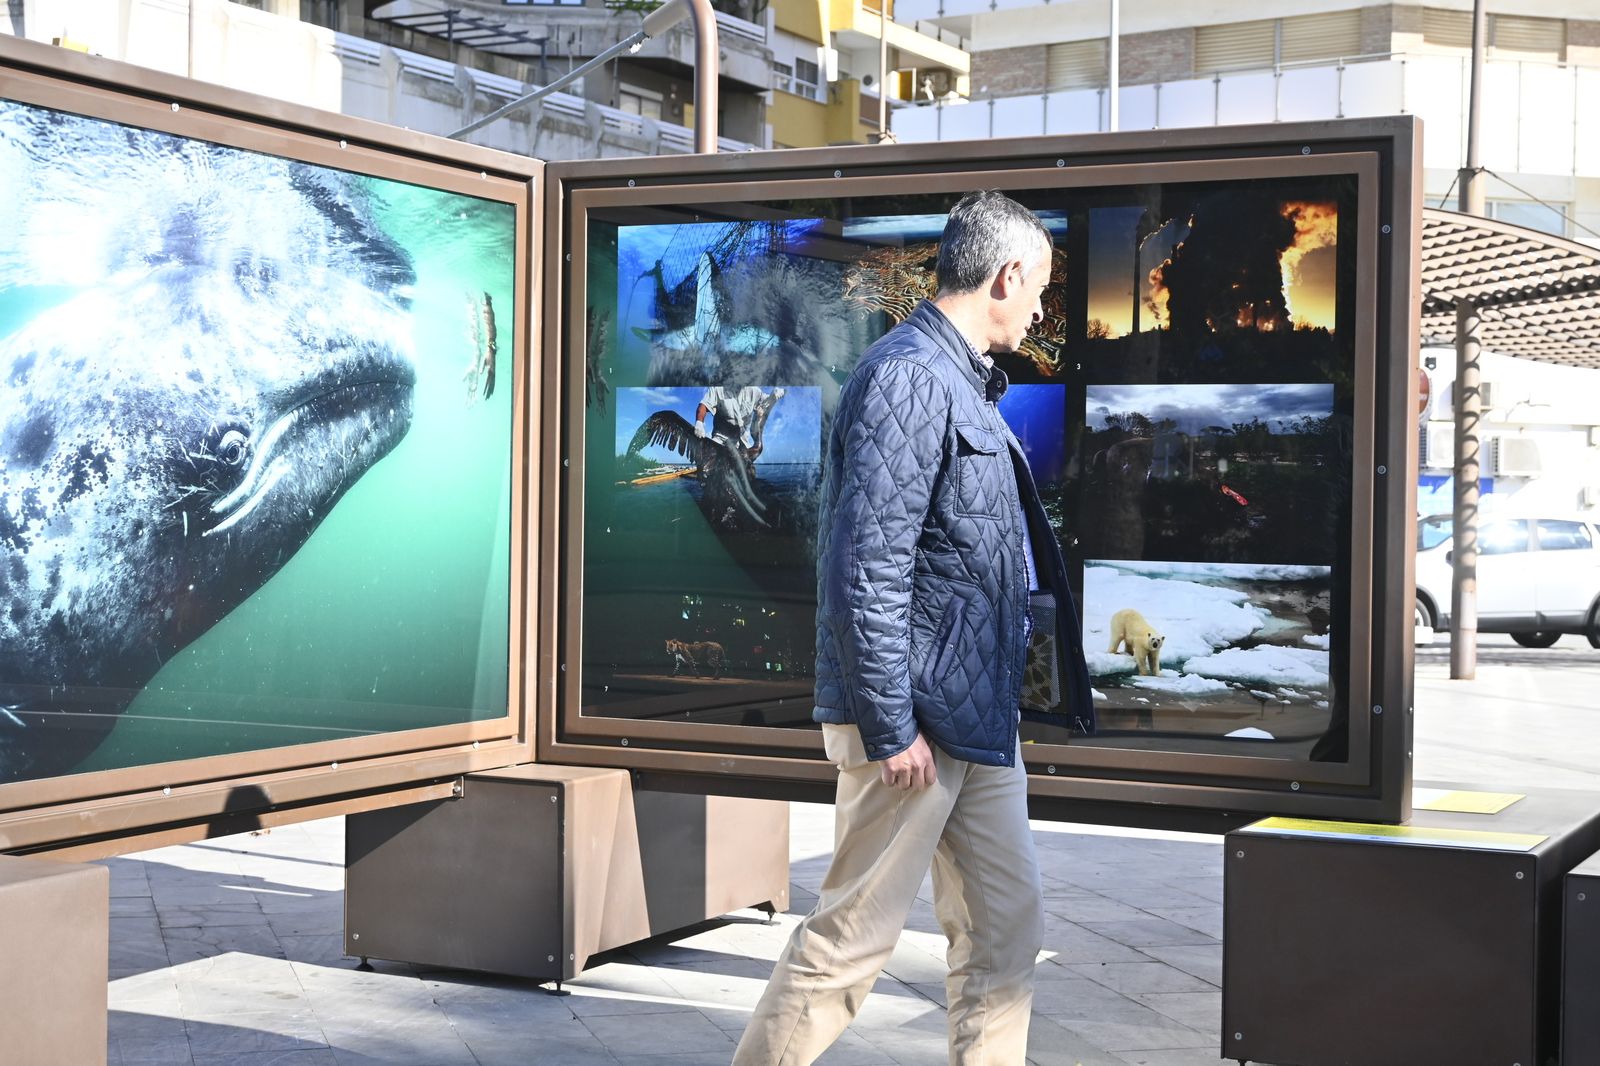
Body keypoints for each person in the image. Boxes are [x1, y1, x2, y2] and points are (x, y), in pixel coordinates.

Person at [732, 190, 1094, 1066]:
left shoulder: (958, 378)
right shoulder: (909, 376)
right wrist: (891, 725)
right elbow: (867, 563)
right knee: (850, 942)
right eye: (1040, 287)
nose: (1041, 307)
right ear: (1007, 275)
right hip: (915, 724)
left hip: (975, 721)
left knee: (1006, 933)